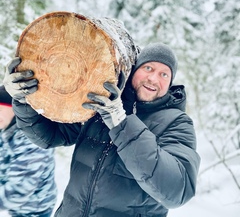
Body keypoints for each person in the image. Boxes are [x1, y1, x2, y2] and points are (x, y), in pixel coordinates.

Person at [3, 42, 200, 217]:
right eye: (148, 68)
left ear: (170, 82)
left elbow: (177, 191)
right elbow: (50, 136)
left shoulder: (177, 123)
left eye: (164, 74)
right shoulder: (104, 103)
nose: (153, 79)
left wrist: (122, 124)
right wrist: (24, 99)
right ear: (135, 70)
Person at [0, 85, 57, 217]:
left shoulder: (30, 139)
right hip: (16, 209)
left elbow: (18, 190)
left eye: (0, 108)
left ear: (14, 108)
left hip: (34, 211)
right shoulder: (6, 130)